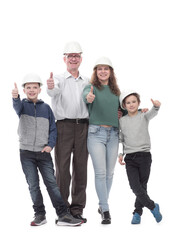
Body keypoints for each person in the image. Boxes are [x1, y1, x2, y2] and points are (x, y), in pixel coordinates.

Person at [12, 73, 83, 227]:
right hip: (26, 154)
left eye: (35, 87)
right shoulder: (22, 106)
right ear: (24, 90)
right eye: (28, 87)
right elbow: (16, 106)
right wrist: (15, 97)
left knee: (51, 184)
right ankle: (40, 214)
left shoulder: (46, 108)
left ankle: (63, 214)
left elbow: (53, 129)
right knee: (33, 185)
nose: (32, 90)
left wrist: (50, 145)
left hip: (44, 153)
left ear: (39, 89)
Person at [47, 41, 89, 223]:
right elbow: (53, 91)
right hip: (63, 127)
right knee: (62, 169)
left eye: (76, 56)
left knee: (81, 169)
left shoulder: (87, 81)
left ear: (80, 59)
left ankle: (77, 209)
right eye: (70, 56)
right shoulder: (57, 79)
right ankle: (62, 210)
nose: (73, 58)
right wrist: (49, 86)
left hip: (83, 127)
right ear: (65, 59)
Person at [83, 57, 121, 224]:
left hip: (113, 134)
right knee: (100, 172)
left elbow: (123, 111)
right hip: (95, 133)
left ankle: (102, 204)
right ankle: (105, 209)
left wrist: (130, 112)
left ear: (111, 72)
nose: (103, 71)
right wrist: (89, 97)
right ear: (96, 72)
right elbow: (86, 97)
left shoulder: (116, 92)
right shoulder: (90, 88)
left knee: (110, 173)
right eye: (100, 69)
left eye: (106, 69)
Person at [118, 90, 162, 224]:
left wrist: (156, 106)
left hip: (144, 156)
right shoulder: (122, 121)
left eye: (134, 102)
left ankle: (137, 212)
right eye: (128, 103)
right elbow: (122, 139)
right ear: (124, 106)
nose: (131, 104)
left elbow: (152, 113)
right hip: (130, 158)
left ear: (138, 103)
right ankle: (153, 206)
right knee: (135, 186)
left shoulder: (144, 115)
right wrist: (121, 154)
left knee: (142, 186)